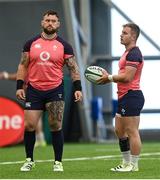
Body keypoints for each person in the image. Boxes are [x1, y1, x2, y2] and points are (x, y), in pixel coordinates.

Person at [16, 10, 82, 172]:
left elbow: (73, 68)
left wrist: (78, 88)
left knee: (55, 125)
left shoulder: (64, 46)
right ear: (42, 22)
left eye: (53, 21)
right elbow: (23, 65)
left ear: (58, 24)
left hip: (55, 90)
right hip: (34, 89)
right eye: (47, 20)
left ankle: (58, 162)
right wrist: (19, 86)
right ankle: (29, 160)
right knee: (30, 125)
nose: (50, 23)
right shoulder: (30, 43)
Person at [97, 23, 145, 172]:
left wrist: (109, 78)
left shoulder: (134, 53)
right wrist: (109, 78)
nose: (121, 35)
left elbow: (128, 77)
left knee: (132, 131)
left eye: (124, 33)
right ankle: (125, 163)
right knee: (119, 130)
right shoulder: (127, 52)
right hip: (124, 96)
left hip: (132, 96)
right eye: (122, 32)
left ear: (133, 36)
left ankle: (134, 165)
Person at [0, 71, 46, 148]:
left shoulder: (31, 69)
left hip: (35, 95)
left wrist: (6, 75)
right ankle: (40, 139)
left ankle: (38, 139)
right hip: (34, 95)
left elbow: (20, 76)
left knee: (34, 117)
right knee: (37, 117)